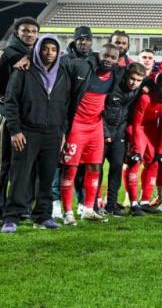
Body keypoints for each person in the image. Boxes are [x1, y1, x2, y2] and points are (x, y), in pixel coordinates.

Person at [1, 34, 68, 233]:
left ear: (58, 53)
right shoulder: (23, 70)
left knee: (47, 178)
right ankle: (11, 217)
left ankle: (43, 216)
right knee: (20, 176)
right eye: (45, 49)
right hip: (27, 132)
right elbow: (11, 103)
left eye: (53, 49)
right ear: (37, 50)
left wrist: (62, 131)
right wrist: (15, 131)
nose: (49, 53)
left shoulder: (63, 73)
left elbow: (66, 105)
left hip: (52, 134)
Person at [60, 43, 121, 225]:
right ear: (98, 54)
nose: (108, 60)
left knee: (95, 167)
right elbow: (61, 65)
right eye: (105, 56)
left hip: (96, 127)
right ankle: (68, 212)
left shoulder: (116, 75)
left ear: (117, 60)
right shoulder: (83, 66)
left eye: (112, 57)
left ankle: (88, 209)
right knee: (70, 169)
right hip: (77, 126)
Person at [0, 16, 40, 216]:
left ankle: (22, 206)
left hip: (31, 116)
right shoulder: (8, 54)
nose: (29, 34)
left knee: (28, 163)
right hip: (9, 115)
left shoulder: (36, 54)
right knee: (6, 163)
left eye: (33, 31)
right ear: (17, 32)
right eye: (25, 30)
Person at [125, 72, 162, 215]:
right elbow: (136, 124)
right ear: (157, 86)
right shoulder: (146, 98)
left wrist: (161, 150)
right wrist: (136, 147)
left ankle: (144, 202)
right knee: (135, 161)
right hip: (137, 129)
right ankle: (133, 203)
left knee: (155, 162)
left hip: (152, 129)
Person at [102, 62, 146, 216]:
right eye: (132, 79)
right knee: (95, 169)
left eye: (139, 80)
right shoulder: (112, 86)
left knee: (116, 167)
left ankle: (111, 205)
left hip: (119, 135)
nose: (134, 83)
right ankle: (92, 204)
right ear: (127, 76)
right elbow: (99, 109)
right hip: (102, 134)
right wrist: (105, 132)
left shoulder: (139, 88)